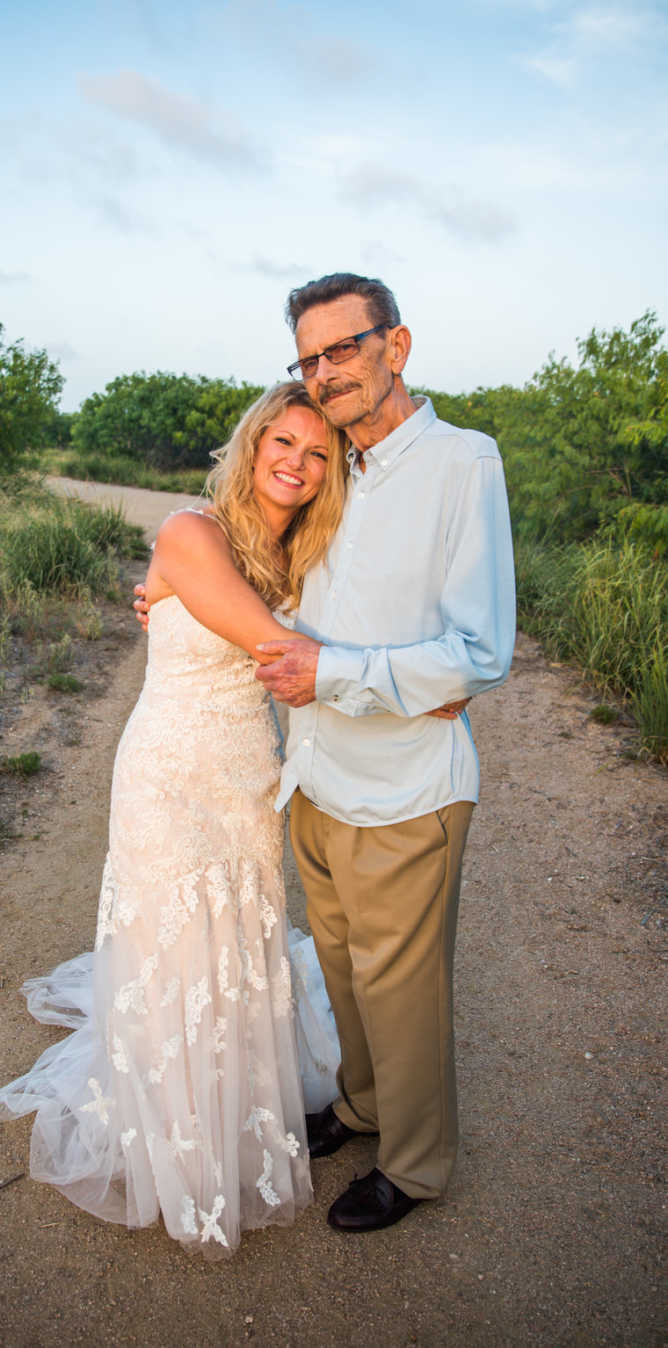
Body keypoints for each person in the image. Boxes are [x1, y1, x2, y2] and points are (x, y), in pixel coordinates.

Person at [0, 382, 350, 1258]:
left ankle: (236, 1090)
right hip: (167, 772)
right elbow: (271, 642)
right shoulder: (191, 532)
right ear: (253, 440)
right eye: (284, 442)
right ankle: (171, 1125)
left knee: (237, 932)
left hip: (244, 773)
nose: (296, 464)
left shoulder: (314, 547)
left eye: (319, 454)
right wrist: (414, 681)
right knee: (173, 942)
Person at [252, 273, 516, 1233]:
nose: (325, 374)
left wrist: (335, 674)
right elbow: (295, 607)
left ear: (394, 347)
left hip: (406, 788)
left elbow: (479, 652)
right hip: (316, 778)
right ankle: (361, 1110)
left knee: (404, 994)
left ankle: (415, 1164)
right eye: (308, 358)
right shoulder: (332, 468)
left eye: (343, 350)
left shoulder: (461, 463)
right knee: (345, 970)